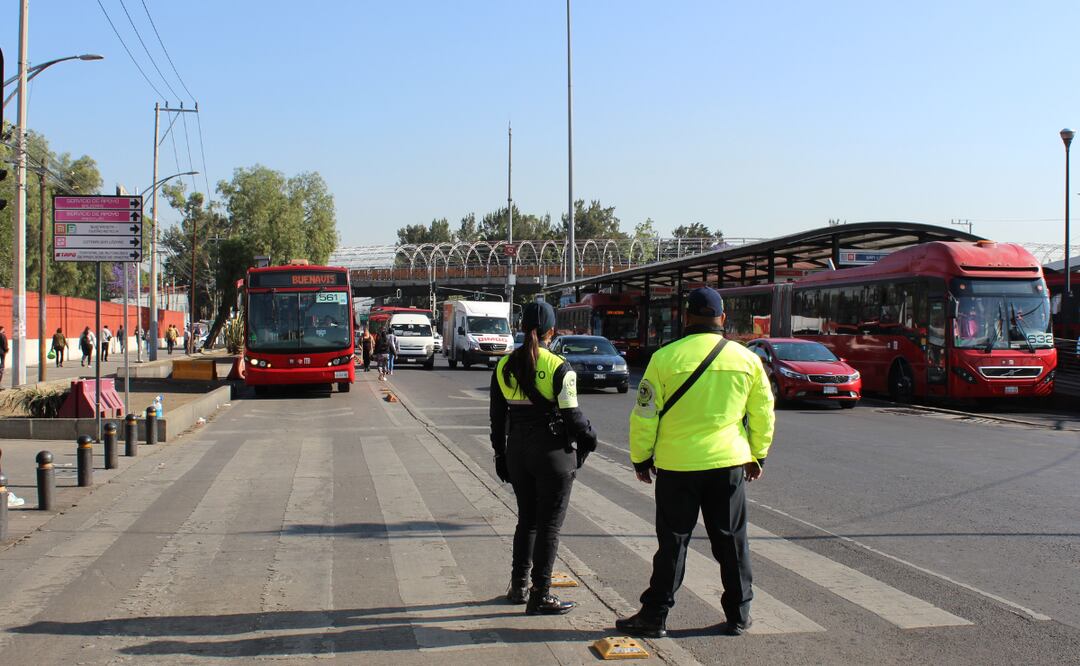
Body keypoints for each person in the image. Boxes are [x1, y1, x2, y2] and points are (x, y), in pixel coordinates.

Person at [616, 287, 775, 639]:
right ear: (723, 319)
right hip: (728, 464)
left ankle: (655, 616)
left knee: (673, 543)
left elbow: (644, 415)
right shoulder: (747, 360)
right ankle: (739, 614)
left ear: (686, 318)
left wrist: (641, 458)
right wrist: (757, 454)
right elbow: (763, 412)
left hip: (677, 468)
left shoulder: (664, 358)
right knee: (732, 543)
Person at [489, 301, 597, 615]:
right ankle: (541, 594)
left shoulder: (504, 365)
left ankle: (519, 586)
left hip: (517, 454)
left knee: (527, 520)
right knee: (549, 526)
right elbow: (573, 417)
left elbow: (497, 418)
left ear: (523, 328)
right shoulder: (560, 367)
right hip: (552, 455)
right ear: (551, 330)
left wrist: (499, 454)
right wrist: (591, 439)